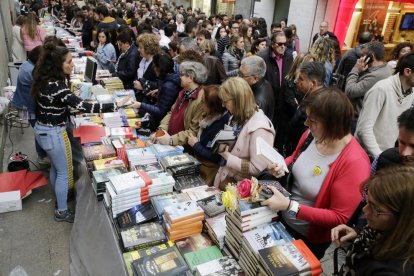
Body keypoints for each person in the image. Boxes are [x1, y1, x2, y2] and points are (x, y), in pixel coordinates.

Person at [263, 88, 371, 259]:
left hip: (308, 238)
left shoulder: (355, 162)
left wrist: (291, 206)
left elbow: (339, 216)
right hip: (282, 218)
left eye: (312, 120)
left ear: (332, 125)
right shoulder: (312, 135)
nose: (306, 123)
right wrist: (282, 165)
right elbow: (296, 157)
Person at [31, 42, 130, 223]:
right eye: (69, 62)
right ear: (57, 65)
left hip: (43, 131)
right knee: (63, 172)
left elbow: (55, 106)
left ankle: (60, 200)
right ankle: (61, 211)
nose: (72, 65)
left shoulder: (46, 80)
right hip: (54, 133)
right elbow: (83, 106)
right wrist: (116, 105)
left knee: (56, 167)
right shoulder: (58, 86)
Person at [331, 166, 414, 275]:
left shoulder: (390, 271)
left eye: (375, 208)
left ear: (403, 218)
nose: (365, 210)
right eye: (367, 202)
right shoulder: (382, 230)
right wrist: (357, 234)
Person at [214, 77, 275, 190]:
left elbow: (257, 168)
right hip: (227, 181)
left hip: (241, 189)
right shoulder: (236, 116)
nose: (223, 105)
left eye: (225, 101)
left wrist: (228, 157)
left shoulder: (260, 128)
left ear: (237, 100)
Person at [355, 53, 414, 157]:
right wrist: (379, 156)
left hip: (385, 153)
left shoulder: (411, 92)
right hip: (365, 154)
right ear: (407, 72)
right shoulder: (381, 89)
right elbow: (363, 129)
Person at [153, 61, 207, 147]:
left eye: (182, 74)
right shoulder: (183, 92)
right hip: (170, 141)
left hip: (182, 148)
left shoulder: (201, 100)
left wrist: (171, 140)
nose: (179, 77)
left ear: (190, 78)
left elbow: (193, 131)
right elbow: (171, 113)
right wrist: (162, 129)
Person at [11, 46, 48, 165]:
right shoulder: (31, 70)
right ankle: (42, 157)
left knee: (38, 127)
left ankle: (42, 154)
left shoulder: (27, 64)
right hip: (26, 107)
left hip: (22, 103)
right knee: (39, 128)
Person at [188, 85, 230, 186]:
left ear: (212, 107)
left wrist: (196, 145)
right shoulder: (209, 116)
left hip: (210, 169)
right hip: (200, 162)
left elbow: (218, 157)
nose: (200, 104)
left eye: (203, 101)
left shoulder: (221, 126)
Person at [127, 53, 181, 131]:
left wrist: (140, 105)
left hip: (161, 122)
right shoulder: (166, 80)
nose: (154, 69)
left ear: (159, 68)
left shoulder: (168, 86)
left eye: (155, 67)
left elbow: (161, 110)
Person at [258, 31, 293, 150]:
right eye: (280, 44)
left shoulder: (289, 56)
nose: (283, 46)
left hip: (283, 101)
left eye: (285, 44)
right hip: (268, 100)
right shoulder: (262, 57)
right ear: (273, 44)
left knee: (280, 132)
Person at [345, 41, 392, 125]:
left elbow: (350, 91)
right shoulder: (378, 69)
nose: (360, 58)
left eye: (363, 55)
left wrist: (355, 69)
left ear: (372, 56)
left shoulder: (378, 75)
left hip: (357, 120)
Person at [287, 61, 325, 156]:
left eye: (301, 79)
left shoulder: (315, 107)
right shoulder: (309, 96)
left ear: (313, 83)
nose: (296, 81)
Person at [239, 55, 275, 124]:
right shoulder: (265, 82)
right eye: (239, 73)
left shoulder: (257, 103)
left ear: (255, 78)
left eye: (242, 75)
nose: (239, 78)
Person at [134, 33, 161, 102]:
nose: (138, 49)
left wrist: (143, 86)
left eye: (140, 47)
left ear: (148, 49)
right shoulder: (142, 60)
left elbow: (159, 85)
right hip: (140, 98)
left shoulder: (157, 63)